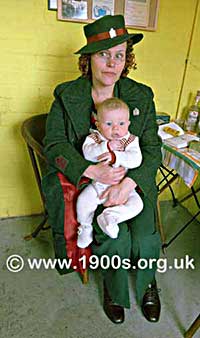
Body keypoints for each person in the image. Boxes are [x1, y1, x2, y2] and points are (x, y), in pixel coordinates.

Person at [42, 14, 162, 324]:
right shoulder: (67, 94)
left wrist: (130, 183)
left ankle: (149, 282)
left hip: (131, 181)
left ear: (127, 60)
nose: (111, 63)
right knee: (116, 238)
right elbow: (54, 144)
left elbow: (152, 149)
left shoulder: (140, 95)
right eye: (103, 54)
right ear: (89, 60)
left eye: (119, 55)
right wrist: (90, 171)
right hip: (91, 183)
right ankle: (115, 288)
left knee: (146, 233)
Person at [76, 97, 143, 248]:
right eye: (108, 124)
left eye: (121, 124)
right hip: (98, 185)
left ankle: (110, 217)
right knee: (83, 201)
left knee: (137, 205)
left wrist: (115, 156)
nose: (116, 129)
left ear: (128, 124)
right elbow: (87, 153)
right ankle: (85, 228)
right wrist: (106, 147)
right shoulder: (94, 138)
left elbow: (136, 160)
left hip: (123, 184)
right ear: (98, 125)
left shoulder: (130, 140)